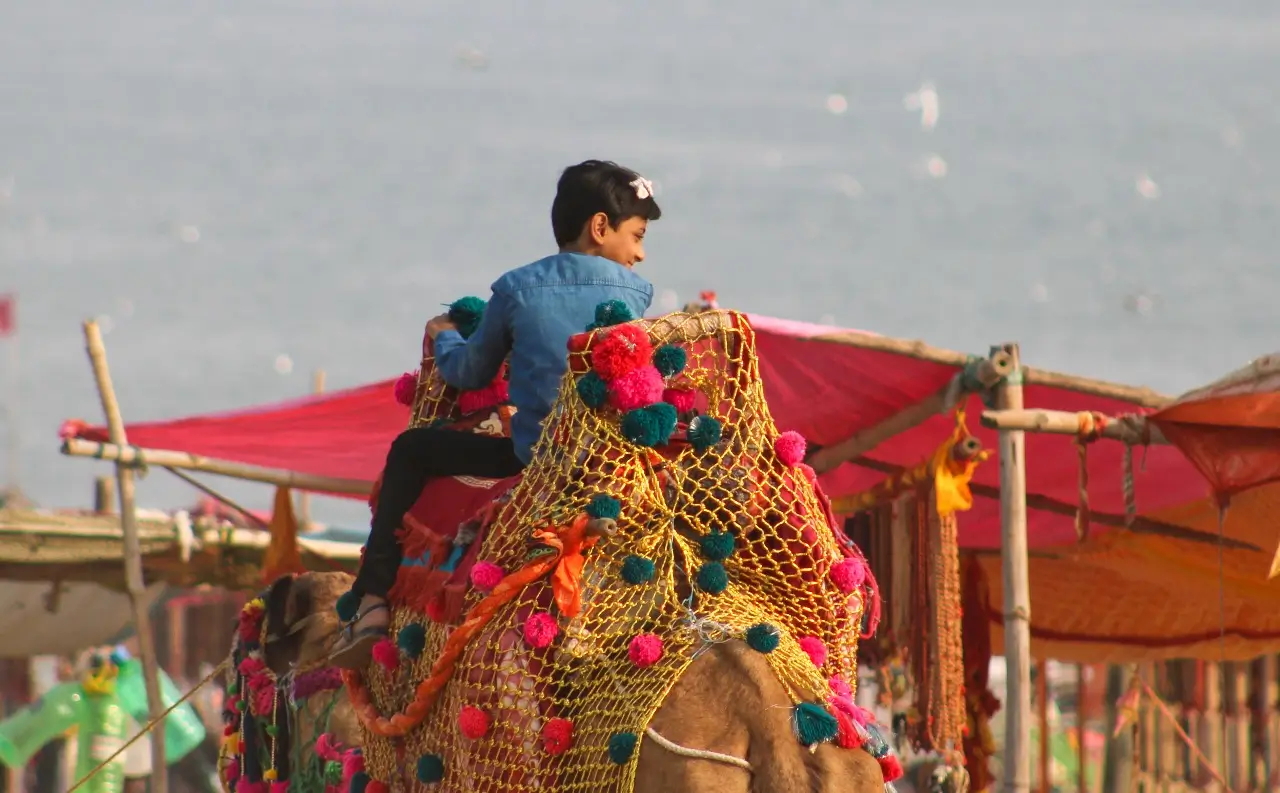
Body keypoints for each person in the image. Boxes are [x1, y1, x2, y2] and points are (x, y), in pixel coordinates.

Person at [329, 160, 661, 669]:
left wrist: (447, 336)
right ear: (600, 228)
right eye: (637, 236)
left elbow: (467, 372)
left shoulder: (515, 289)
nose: (639, 253)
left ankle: (372, 600)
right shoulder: (637, 294)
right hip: (610, 468)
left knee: (411, 449)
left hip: (532, 462)